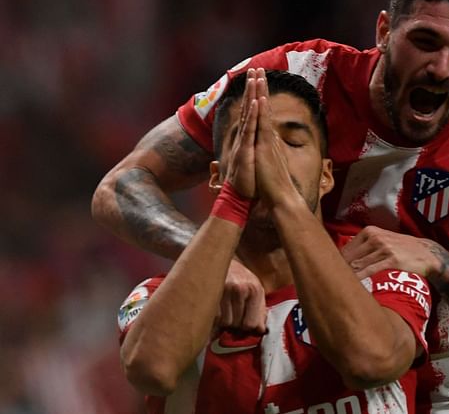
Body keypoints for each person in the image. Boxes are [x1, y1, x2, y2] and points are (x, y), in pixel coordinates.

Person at [94, 0, 449, 410]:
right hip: (271, 341)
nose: (441, 68)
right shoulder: (290, 80)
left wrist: (439, 262)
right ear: (383, 31)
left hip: (420, 389)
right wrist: (216, 260)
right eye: (424, 41)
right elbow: (122, 186)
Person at [118, 69, 432, 413]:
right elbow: (152, 370)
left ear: (326, 175)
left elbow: (372, 361)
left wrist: (283, 196)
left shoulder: (377, 262)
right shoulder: (164, 294)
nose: (270, 157)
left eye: (293, 142)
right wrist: (235, 199)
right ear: (216, 177)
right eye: (249, 141)